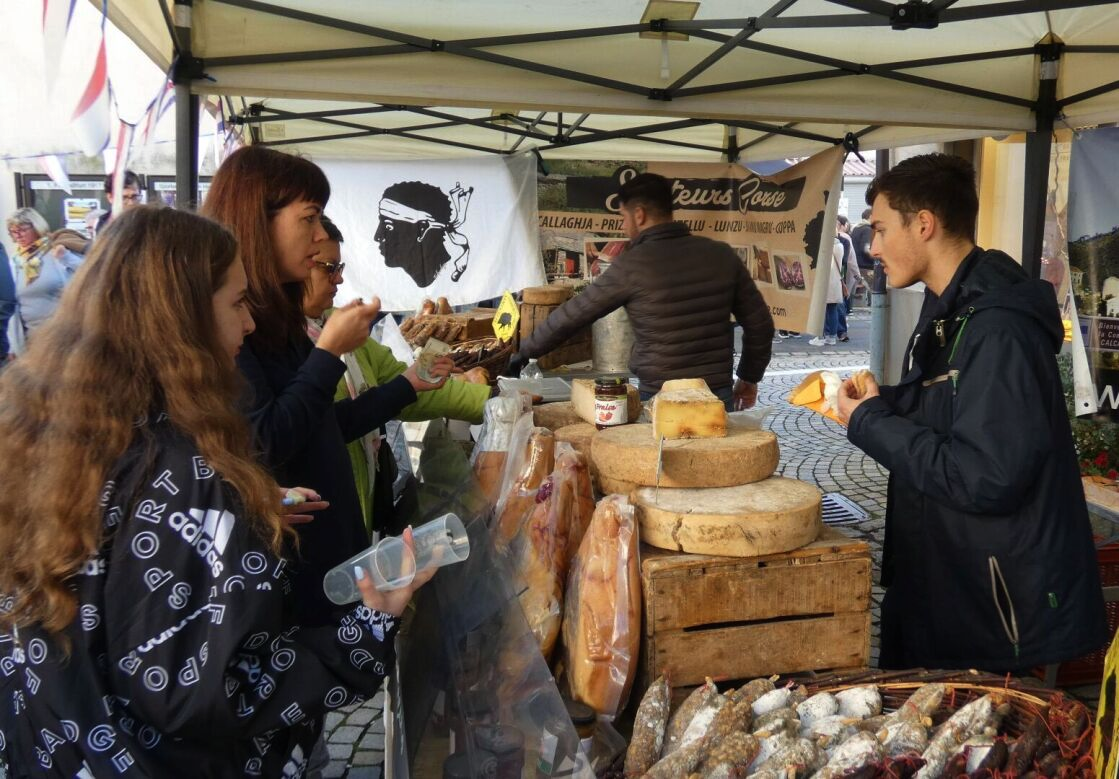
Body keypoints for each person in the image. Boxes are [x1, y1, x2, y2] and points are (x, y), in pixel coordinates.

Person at [0, 207, 433, 776]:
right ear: (180, 321)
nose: (249, 325)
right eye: (235, 304)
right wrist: (369, 625)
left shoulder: (52, 434)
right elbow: (209, 694)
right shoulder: (184, 471)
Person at [836, 153, 1107, 672]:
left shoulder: (999, 330)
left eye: (881, 229)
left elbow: (985, 476)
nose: (873, 248)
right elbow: (953, 407)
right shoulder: (954, 308)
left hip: (991, 610)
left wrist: (867, 421)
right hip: (945, 583)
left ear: (924, 224)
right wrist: (883, 402)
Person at [201, 146, 453, 624]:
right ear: (259, 221)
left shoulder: (276, 318)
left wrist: (406, 385)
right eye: (309, 219)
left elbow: (321, 426)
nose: (319, 238)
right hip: (287, 578)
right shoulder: (233, 328)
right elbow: (268, 439)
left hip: (326, 559)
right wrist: (328, 353)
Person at [516, 173, 774, 410]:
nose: (625, 226)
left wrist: (523, 353)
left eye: (624, 218)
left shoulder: (632, 265)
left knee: (662, 460)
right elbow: (760, 325)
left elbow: (572, 315)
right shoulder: (721, 255)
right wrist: (749, 378)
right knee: (715, 459)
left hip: (660, 395)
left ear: (639, 215)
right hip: (716, 394)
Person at [305, 216, 490, 536]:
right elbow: (322, 425)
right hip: (315, 520)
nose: (337, 280)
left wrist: (492, 402)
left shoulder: (338, 324)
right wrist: (407, 384)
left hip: (356, 510)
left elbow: (407, 388)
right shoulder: (280, 342)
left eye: (340, 268)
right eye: (328, 268)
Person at [5, 207, 83, 356]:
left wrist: (66, 256)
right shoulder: (16, 261)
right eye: (13, 232)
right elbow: (13, 306)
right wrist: (13, 345)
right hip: (31, 341)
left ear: (36, 227)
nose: (18, 236)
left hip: (63, 338)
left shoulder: (56, 250)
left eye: (22, 230)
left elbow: (87, 272)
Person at [809, 238, 845, 347]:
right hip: (835, 282)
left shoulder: (823, 246)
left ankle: (821, 336)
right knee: (832, 309)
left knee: (821, 311)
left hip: (824, 281)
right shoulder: (840, 246)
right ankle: (832, 337)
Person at [94, 169, 143, 235]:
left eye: (135, 197)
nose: (131, 203)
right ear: (110, 198)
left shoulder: (149, 222)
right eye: (124, 198)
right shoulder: (103, 226)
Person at [850, 207, 876, 305]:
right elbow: (866, 248)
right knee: (874, 290)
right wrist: (878, 259)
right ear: (870, 216)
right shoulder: (867, 229)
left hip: (856, 266)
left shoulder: (856, 229)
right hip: (866, 267)